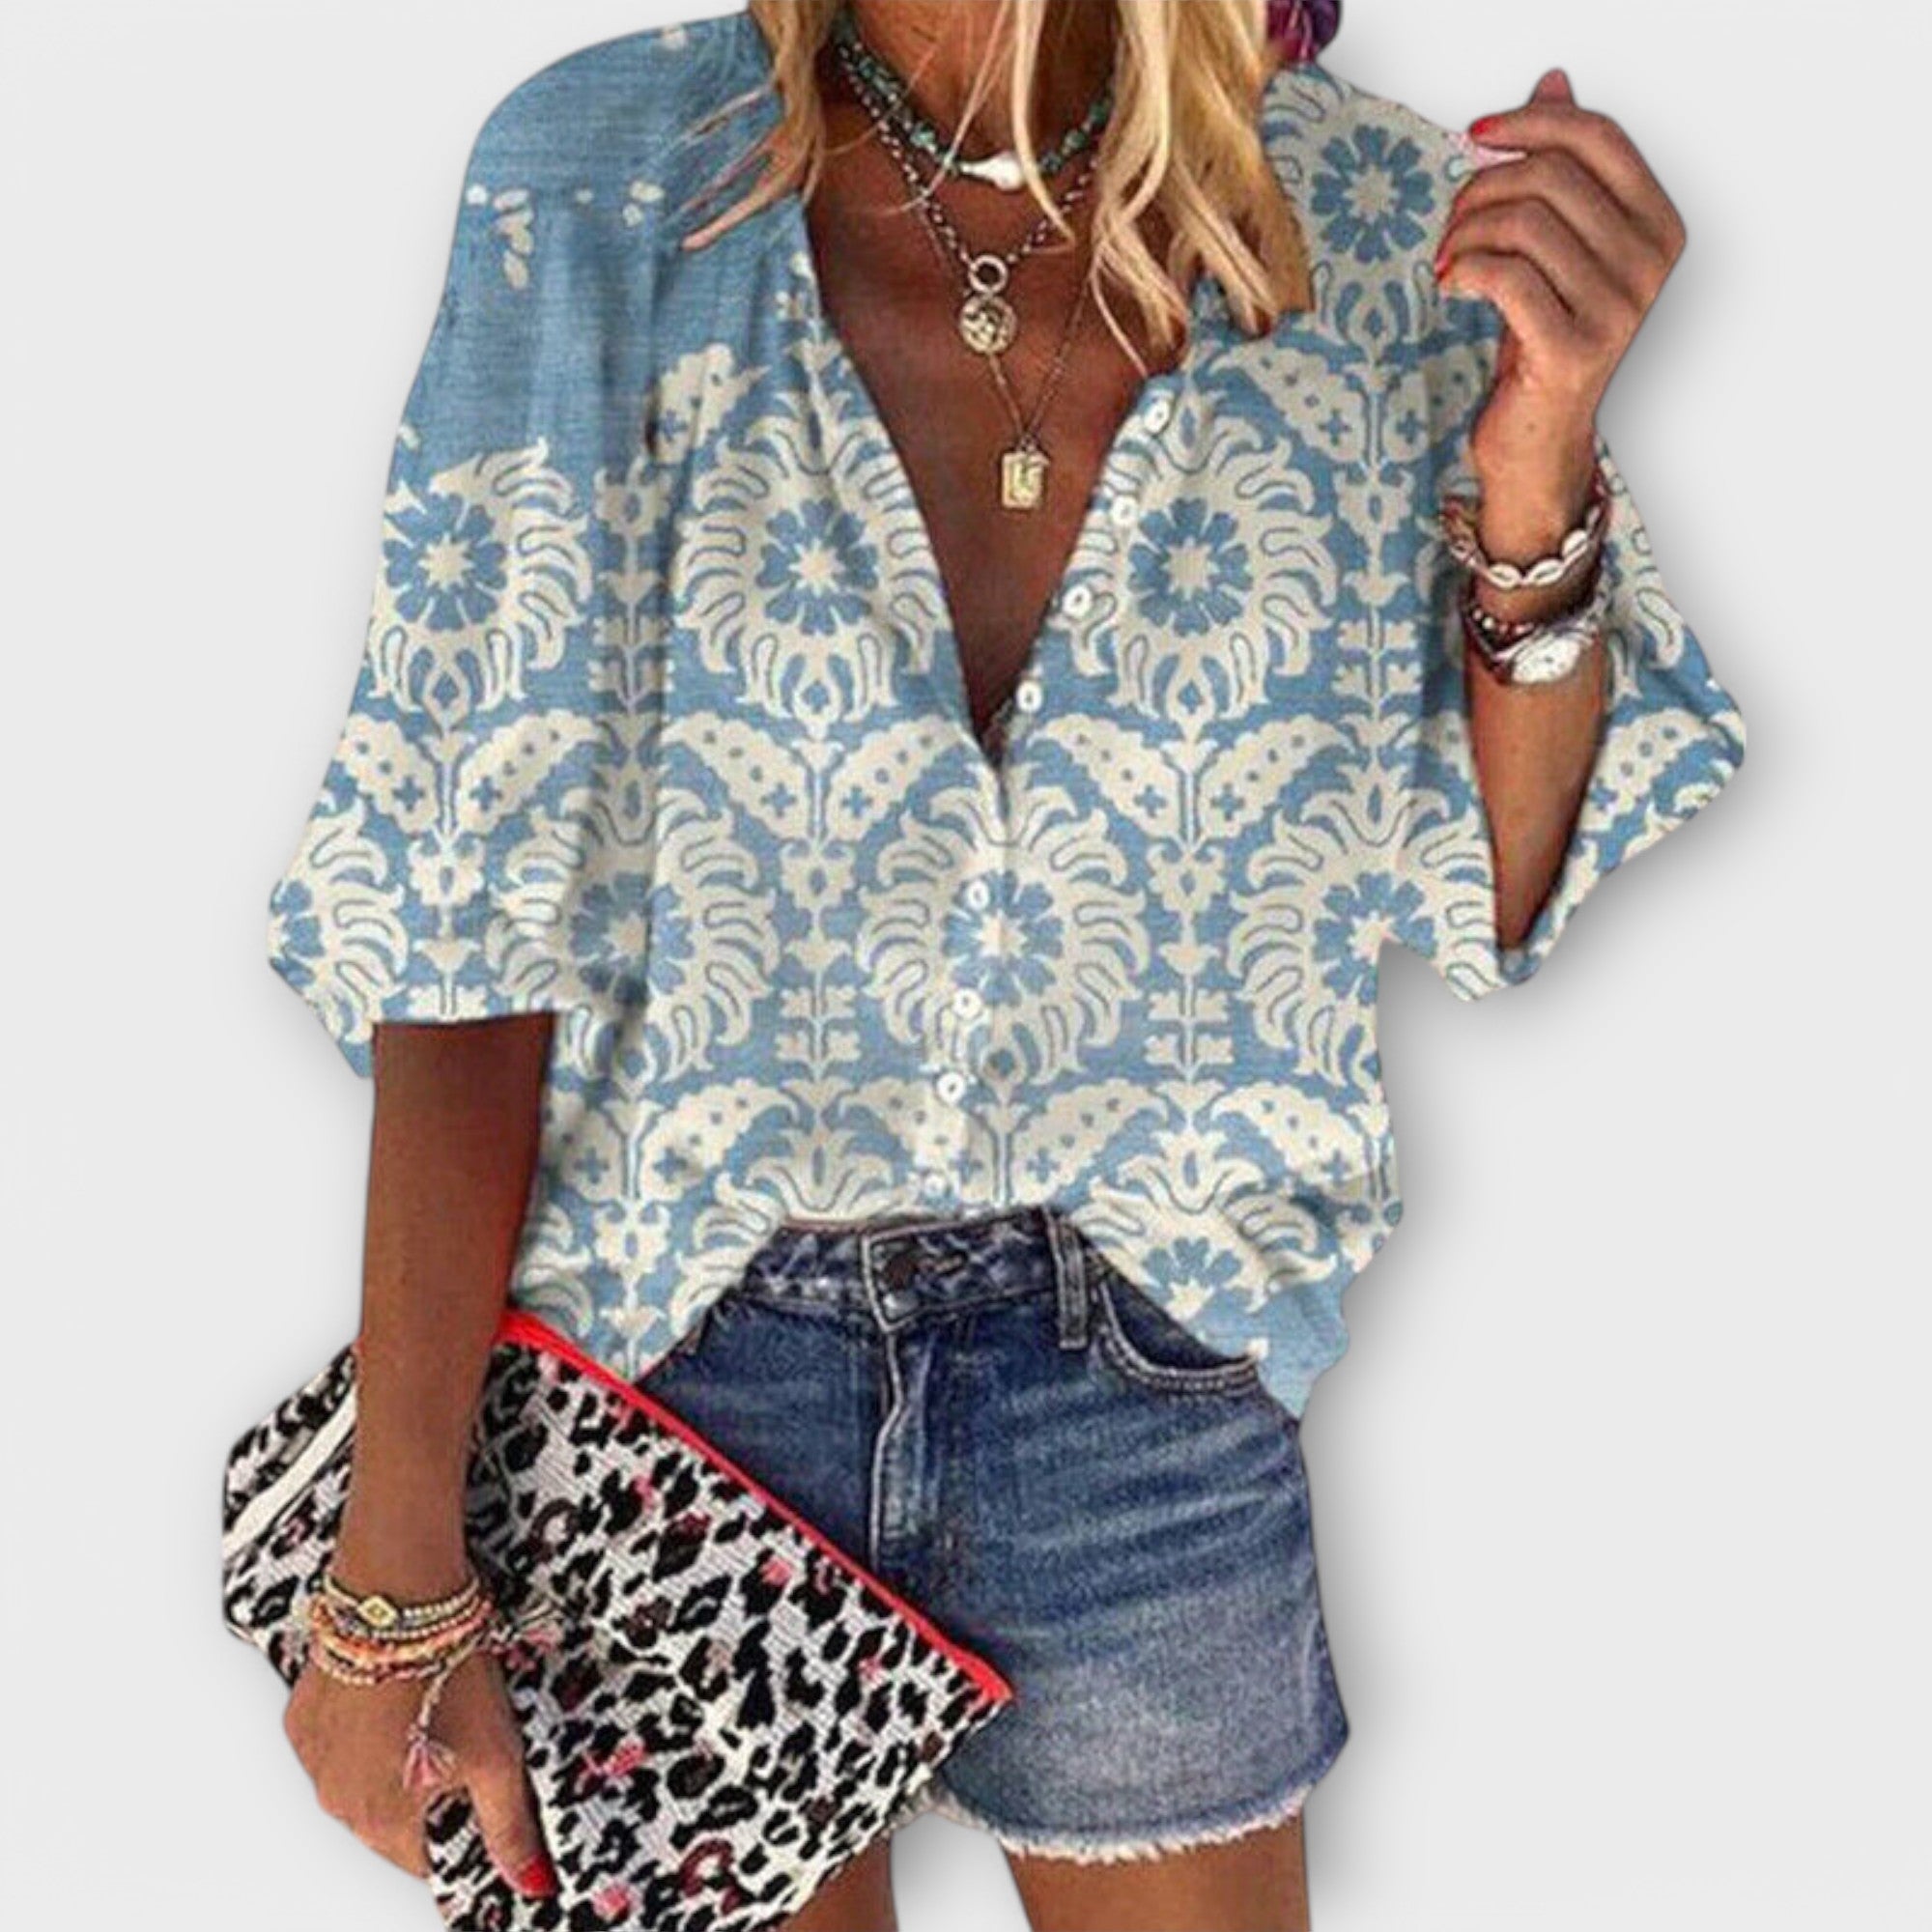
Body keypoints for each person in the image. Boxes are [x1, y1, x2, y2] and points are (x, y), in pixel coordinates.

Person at [265, 3, 1745, 1927]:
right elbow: (462, 900)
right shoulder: (606, 176)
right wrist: (393, 1572)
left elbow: (1491, 874)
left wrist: (1540, 448)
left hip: (1143, 1375)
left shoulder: (1390, 226)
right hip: (670, 1372)